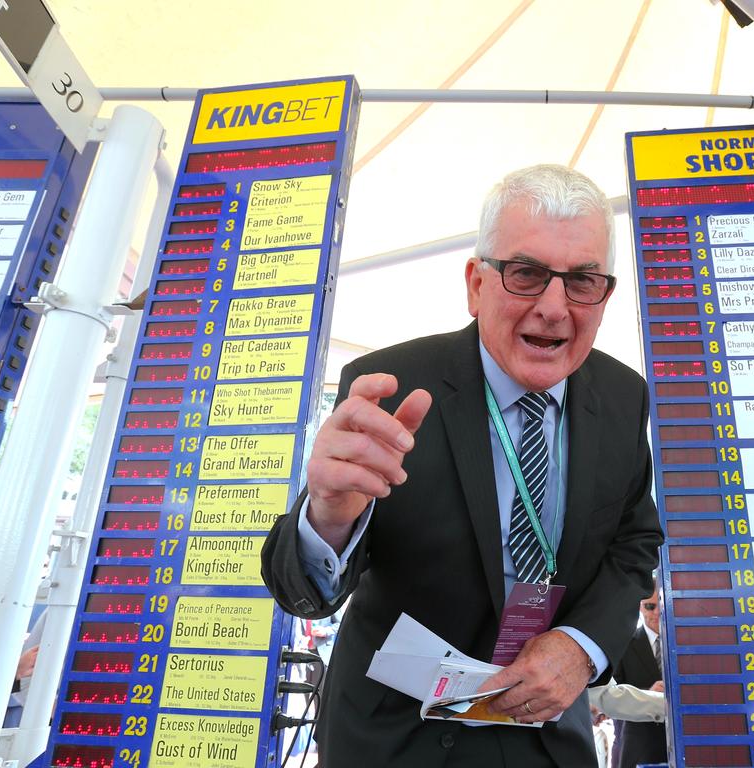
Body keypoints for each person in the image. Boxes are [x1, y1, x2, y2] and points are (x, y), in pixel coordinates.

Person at [261, 164, 663, 767]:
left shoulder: (625, 397)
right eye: (526, 274)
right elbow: (302, 595)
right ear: (477, 283)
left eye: (582, 280)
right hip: (394, 740)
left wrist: (580, 650)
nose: (554, 308)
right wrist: (329, 520)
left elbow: (633, 545)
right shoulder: (391, 389)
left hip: (547, 740)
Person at [612, 583, 668, 768]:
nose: (657, 612)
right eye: (650, 606)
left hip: (682, 744)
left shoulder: (686, 645)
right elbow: (611, 694)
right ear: (640, 608)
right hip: (638, 747)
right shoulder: (622, 645)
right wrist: (647, 695)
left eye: (661, 604)